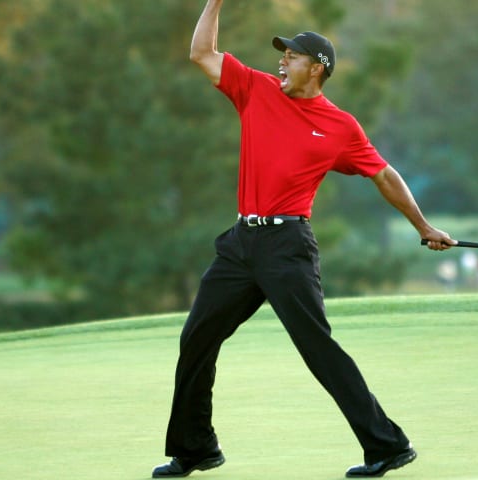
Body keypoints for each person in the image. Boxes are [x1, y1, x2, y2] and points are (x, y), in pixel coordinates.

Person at [151, 1, 456, 478]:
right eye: (283, 55)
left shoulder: (340, 126)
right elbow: (201, 53)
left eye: (291, 56)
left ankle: (387, 446)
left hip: (287, 246)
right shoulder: (255, 89)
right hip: (240, 244)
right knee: (197, 338)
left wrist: (423, 227)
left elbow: (384, 175)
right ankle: (195, 449)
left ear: (317, 69)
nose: (282, 61)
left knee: (317, 347)